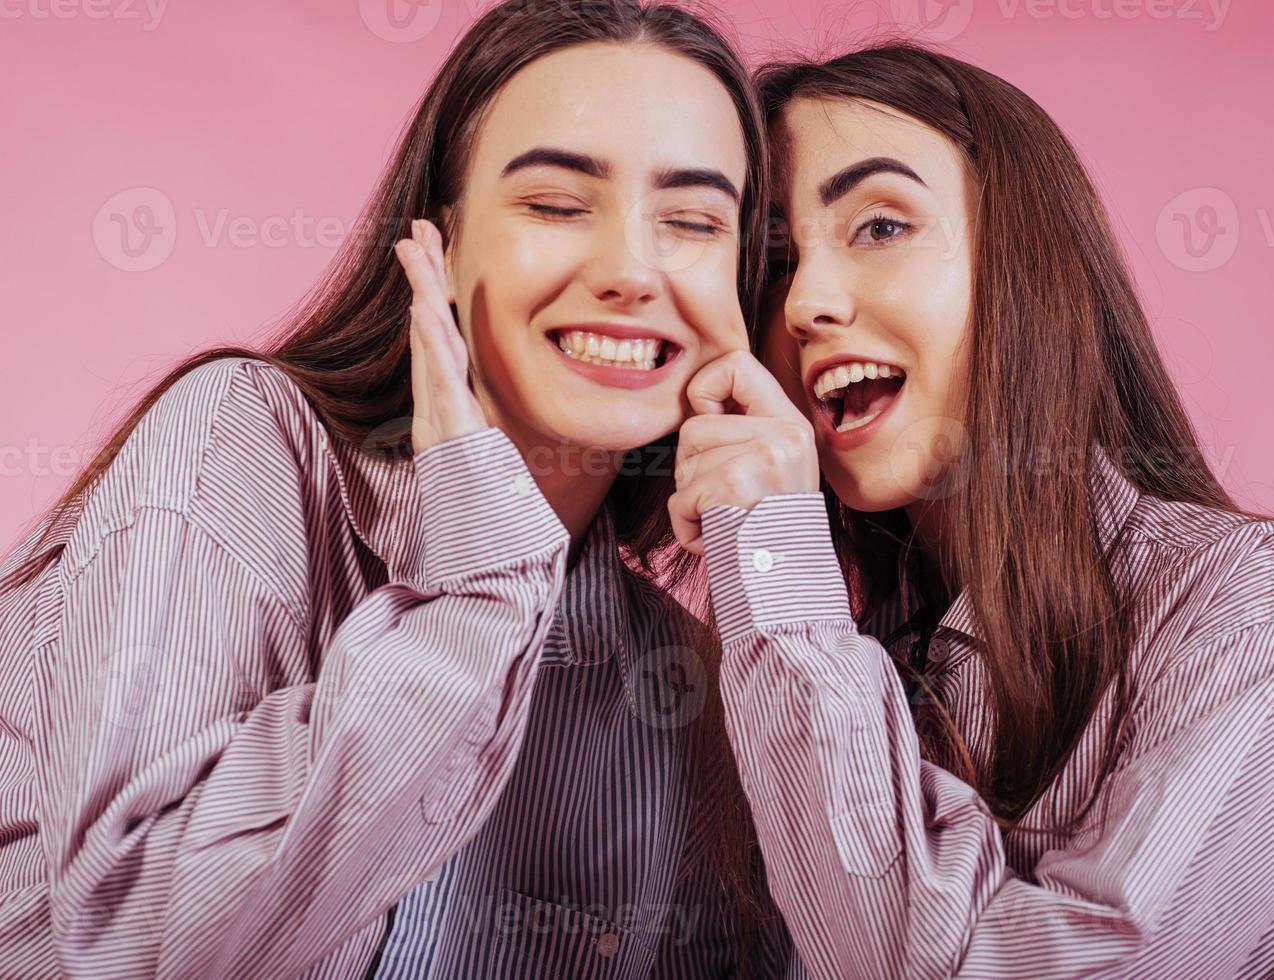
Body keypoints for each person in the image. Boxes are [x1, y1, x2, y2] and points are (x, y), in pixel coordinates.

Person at [0, 2, 799, 976]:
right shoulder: (241, 442)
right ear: (443, 244)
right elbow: (137, 942)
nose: (632, 270)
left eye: (691, 221)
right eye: (555, 203)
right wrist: (481, 593)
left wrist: (784, 570)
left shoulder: (675, 676)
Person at [669, 43, 1274, 979]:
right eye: (775, 260)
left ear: (1028, 262)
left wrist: (777, 579)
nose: (807, 303)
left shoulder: (1264, 609)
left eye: (880, 226)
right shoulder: (842, 656)